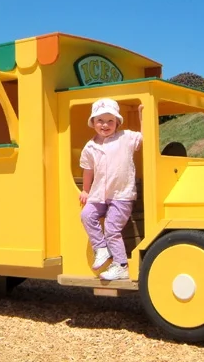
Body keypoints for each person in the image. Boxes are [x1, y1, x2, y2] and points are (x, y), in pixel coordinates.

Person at [79, 98, 143, 280]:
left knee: (112, 228)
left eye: (110, 121)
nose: (105, 125)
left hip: (121, 195)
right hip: (99, 194)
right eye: (100, 120)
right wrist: (85, 190)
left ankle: (121, 265)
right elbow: (88, 170)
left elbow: (145, 137)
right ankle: (101, 248)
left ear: (117, 123)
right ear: (93, 123)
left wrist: (142, 115)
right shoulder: (90, 147)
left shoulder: (126, 137)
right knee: (86, 215)